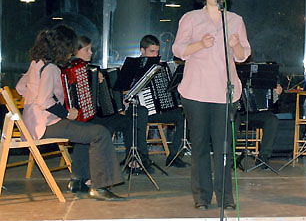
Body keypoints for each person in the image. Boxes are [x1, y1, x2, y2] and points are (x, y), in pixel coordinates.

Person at [16, 25, 124, 201]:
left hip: (32, 124)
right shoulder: (51, 68)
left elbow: (20, 88)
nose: (72, 52)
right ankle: (100, 186)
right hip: (45, 125)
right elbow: (44, 101)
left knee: (84, 131)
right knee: (100, 133)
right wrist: (67, 113)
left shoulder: (37, 63)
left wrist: (35, 95)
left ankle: (78, 181)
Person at [173, 0, 251, 210]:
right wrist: (200, 44)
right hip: (196, 92)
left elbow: (243, 55)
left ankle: (225, 197)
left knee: (224, 148)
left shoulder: (235, 20)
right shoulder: (191, 18)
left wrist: (236, 45)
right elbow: (178, 50)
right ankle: (202, 197)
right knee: (199, 147)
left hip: (224, 93)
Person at [67, 36, 130, 193]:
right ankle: (84, 176)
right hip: (77, 117)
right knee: (96, 130)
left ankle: (132, 160)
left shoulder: (92, 69)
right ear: (74, 51)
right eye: (86, 50)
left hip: (95, 115)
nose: (91, 53)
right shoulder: (68, 70)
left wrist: (99, 80)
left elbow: (99, 100)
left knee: (126, 120)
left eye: (91, 49)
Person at [121, 35, 189, 172]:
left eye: (157, 52)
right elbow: (123, 89)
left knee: (182, 115)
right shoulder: (132, 66)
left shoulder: (160, 67)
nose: (155, 55)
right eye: (152, 51)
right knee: (140, 112)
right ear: (142, 50)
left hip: (157, 110)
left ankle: (174, 157)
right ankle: (142, 159)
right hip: (138, 109)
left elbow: (167, 89)